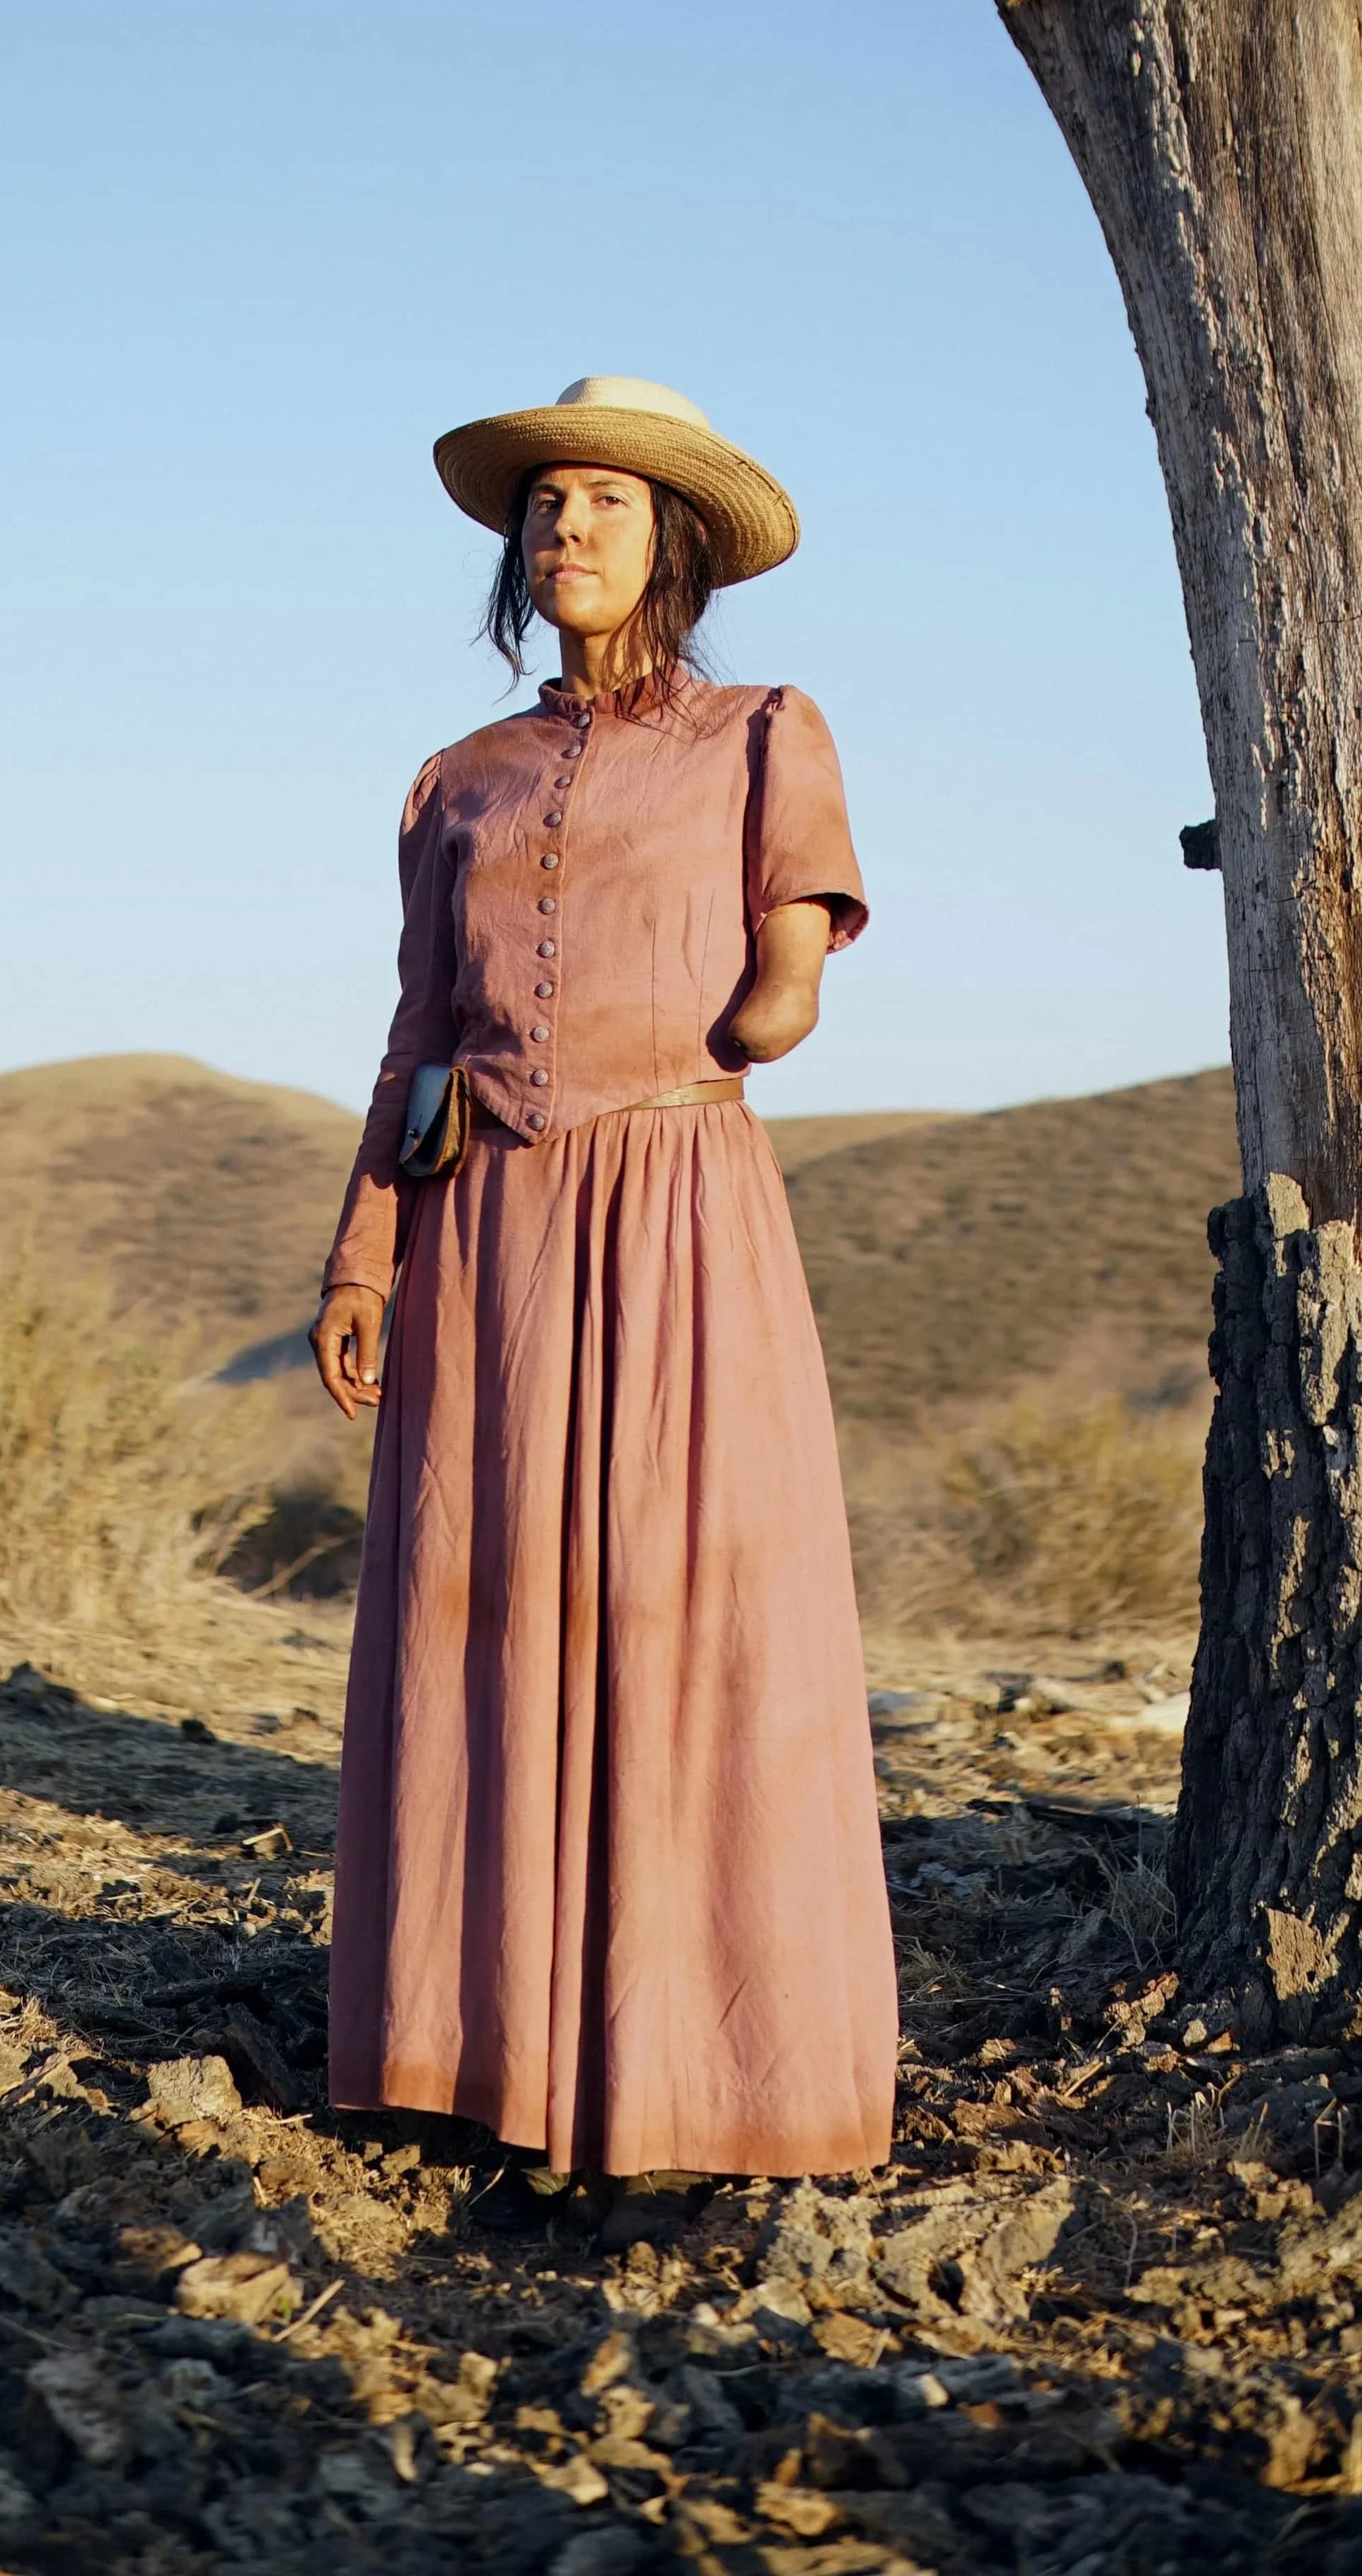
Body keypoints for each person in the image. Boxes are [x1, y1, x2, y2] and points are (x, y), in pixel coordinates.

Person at [310, 375, 896, 2238]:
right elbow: (417, 1030)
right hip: (481, 1221)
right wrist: (360, 1248)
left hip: (672, 1206)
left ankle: (709, 2071)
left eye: (607, 502)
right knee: (485, 1625)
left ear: (677, 542)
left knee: (683, 1609)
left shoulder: (758, 729)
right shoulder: (453, 781)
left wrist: (784, 975)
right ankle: (481, 2052)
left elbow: (797, 913)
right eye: (544, 500)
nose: (565, 525)